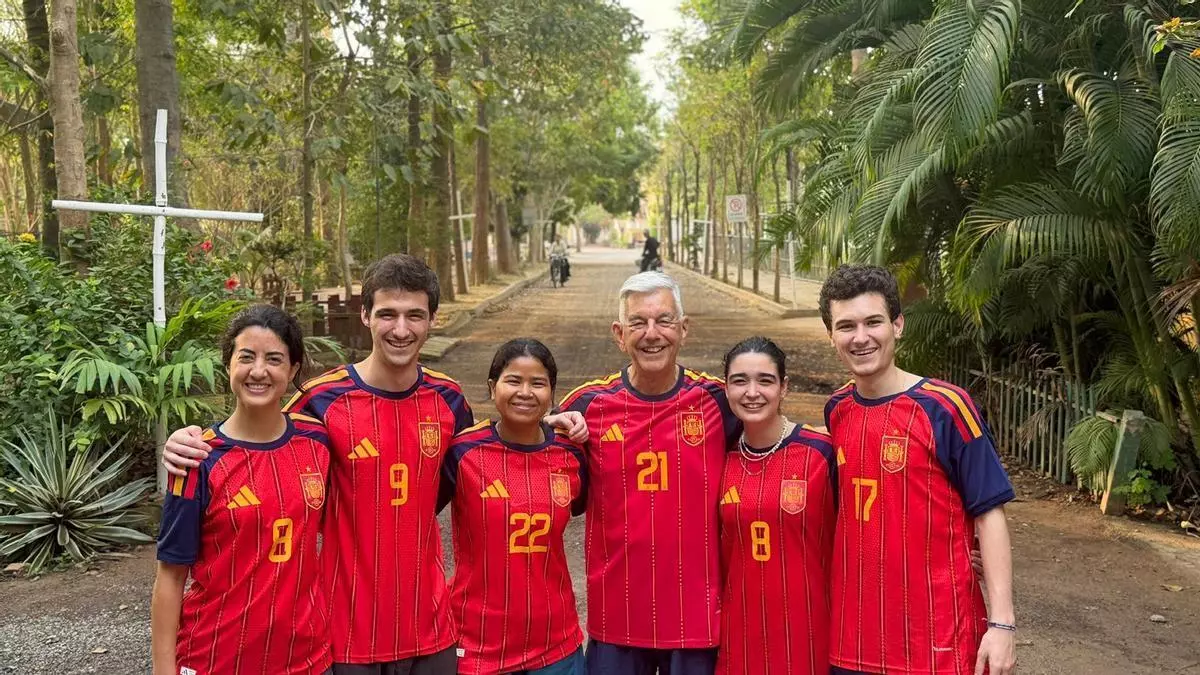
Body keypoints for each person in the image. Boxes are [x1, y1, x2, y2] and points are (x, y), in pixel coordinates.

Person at [161, 254, 588, 675]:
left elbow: (492, 454)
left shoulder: (449, 399)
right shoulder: (319, 401)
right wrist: (189, 440)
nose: (400, 329)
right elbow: (260, 434)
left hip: (431, 628)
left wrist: (549, 424)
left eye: (414, 315)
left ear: (432, 319)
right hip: (344, 633)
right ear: (365, 315)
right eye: (387, 314)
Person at [818, 264, 1016, 675]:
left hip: (937, 637)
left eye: (873, 322)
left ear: (898, 325)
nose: (860, 337)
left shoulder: (946, 408)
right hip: (854, 637)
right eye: (846, 326)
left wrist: (1002, 624)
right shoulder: (837, 409)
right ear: (831, 336)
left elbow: (989, 512)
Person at [560, 271, 739, 674]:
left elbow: (772, 441)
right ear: (619, 334)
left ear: (683, 329)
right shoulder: (587, 406)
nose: (652, 334)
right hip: (617, 617)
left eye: (664, 320)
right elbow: (534, 462)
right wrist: (552, 428)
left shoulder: (718, 401)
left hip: (696, 621)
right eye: (638, 322)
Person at [151, 304, 333, 675]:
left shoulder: (318, 442)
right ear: (228, 365)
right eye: (246, 357)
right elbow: (170, 576)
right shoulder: (197, 459)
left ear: (293, 370)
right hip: (216, 658)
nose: (259, 371)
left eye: (274, 359)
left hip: (306, 660)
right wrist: (162, 669)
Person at [439, 338, 587, 675]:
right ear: (493, 387)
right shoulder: (462, 451)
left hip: (556, 644)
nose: (525, 392)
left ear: (552, 394)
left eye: (538, 383)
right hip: (478, 645)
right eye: (513, 380)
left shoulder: (571, 454)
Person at [716, 337, 836, 675]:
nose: (752, 392)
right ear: (726, 388)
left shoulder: (821, 453)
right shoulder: (718, 457)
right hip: (738, 635)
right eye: (740, 381)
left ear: (784, 387)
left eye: (765, 380)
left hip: (809, 635)